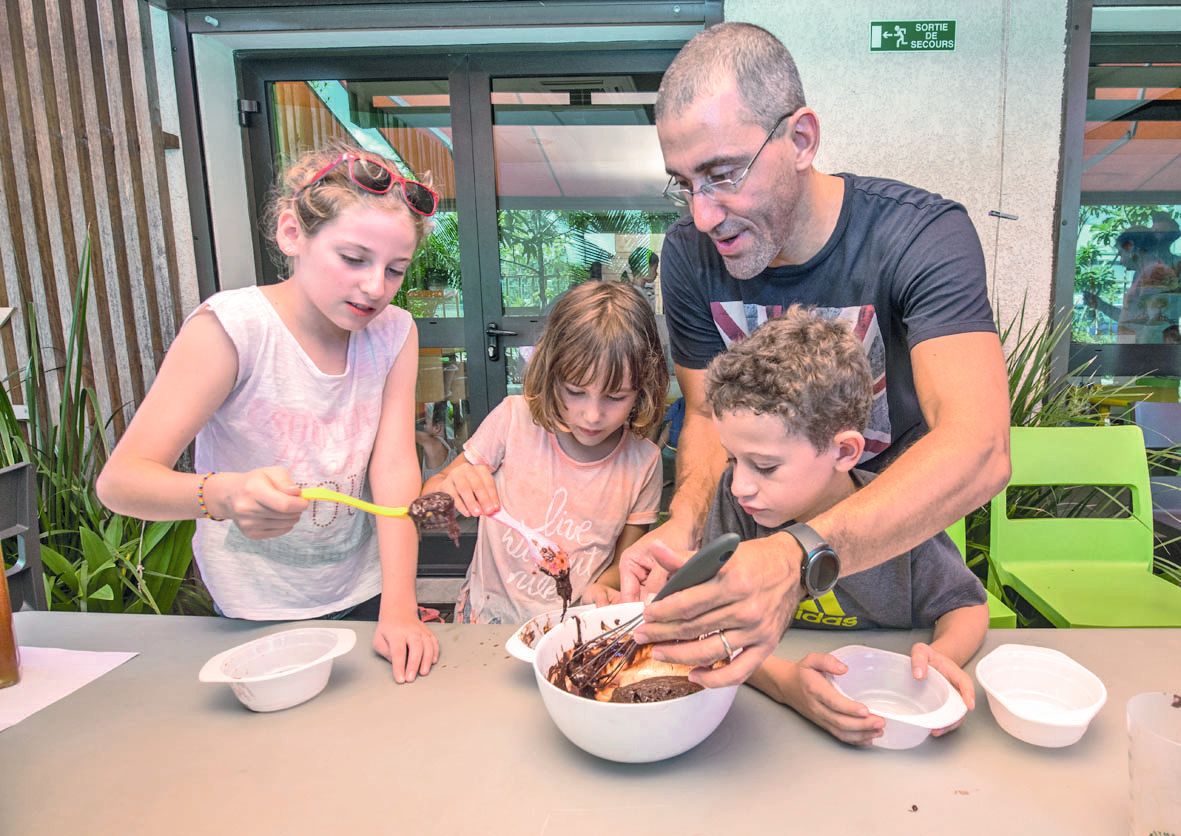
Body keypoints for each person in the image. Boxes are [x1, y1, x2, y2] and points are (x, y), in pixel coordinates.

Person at [619, 22, 1010, 687]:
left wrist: (798, 554)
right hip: (761, 596)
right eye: (684, 184)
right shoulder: (687, 256)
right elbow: (710, 418)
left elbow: (980, 448)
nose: (703, 215)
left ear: (800, 139)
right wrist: (685, 524)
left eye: (722, 174)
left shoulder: (919, 235)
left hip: (889, 587)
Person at [96, 143, 440, 683]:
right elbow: (121, 483)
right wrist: (226, 495)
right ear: (291, 234)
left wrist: (399, 605)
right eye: (353, 259)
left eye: (396, 270)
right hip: (255, 609)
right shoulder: (232, 329)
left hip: (365, 592)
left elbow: (394, 469)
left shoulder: (396, 332)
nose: (375, 287)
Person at [702, 307, 987, 744]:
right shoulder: (738, 502)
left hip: (887, 711)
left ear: (844, 451)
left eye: (764, 466)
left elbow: (966, 605)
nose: (740, 485)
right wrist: (785, 683)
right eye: (731, 459)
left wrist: (941, 658)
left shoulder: (898, 514)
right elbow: (711, 619)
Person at [423, 281, 668, 624]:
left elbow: (623, 560)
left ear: (644, 388)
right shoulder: (512, 420)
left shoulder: (644, 462)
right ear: (551, 374)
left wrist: (603, 588)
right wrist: (451, 485)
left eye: (615, 397)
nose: (593, 414)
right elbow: (428, 498)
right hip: (487, 621)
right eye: (575, 391)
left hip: (571, 630)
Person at [1086, 212, 1181, 342]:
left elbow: (1154, 325)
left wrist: (1137, 354)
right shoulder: (1144, 274)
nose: (1120, 261)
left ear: (1131, 247)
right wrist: (1101, 305)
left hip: (1143, 355)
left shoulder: (1156, 274)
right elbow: (1133, 320)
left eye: (1120, 253)